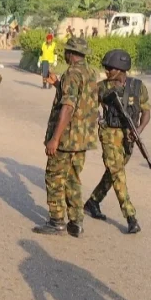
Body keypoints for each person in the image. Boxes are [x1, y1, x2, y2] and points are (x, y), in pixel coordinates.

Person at [34, 37, 99, 238]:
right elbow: (77, 98)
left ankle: (56, 221)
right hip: (82, 139)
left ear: (70, 53)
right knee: (73, 179)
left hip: (67, 139)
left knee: (54, 178)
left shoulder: (71, 73)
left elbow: (68, 107)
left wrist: (55, 139)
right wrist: (57, 84)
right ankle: (76, 221)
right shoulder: (90, 72)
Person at [83, 49, 151, 234]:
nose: (107, 71)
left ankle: (93, 202)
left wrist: (137, 130)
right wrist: (98, 117)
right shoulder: (102, 87)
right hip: (109, 133)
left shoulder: (138, 87)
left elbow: (146, 112)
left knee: (113, 172)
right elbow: (87, 105)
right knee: (117, 173)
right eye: (105, 68)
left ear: (121, 69)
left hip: (128, 135)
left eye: (110, 68)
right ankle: (130, 216)